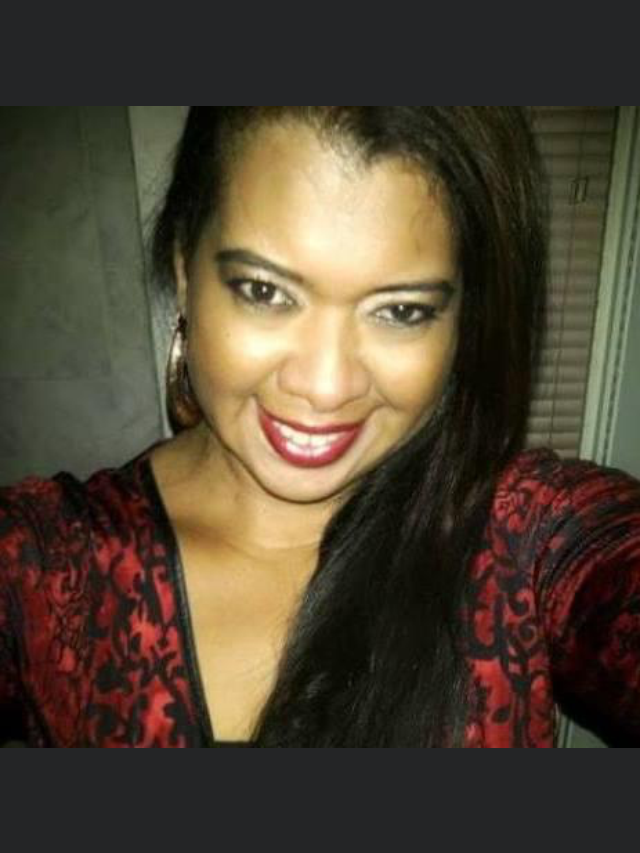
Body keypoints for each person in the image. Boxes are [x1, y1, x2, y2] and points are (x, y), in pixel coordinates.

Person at [1, 107, 639, 748]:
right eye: (265, 292)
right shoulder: (42, 568)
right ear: (185, 269)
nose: (325, 386)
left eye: (401, 310)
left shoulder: (528, 537)